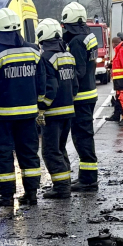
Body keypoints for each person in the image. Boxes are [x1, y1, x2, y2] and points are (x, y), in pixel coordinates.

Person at [0, 8, 47, 207]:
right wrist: (38, 103)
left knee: (3, 154)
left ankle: (6, 195)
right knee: (29, 153)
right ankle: (31, 193)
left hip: (1, 116)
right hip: (28, 114)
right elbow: (41, 81)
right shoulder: (34, 51)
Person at [36, 18, 78, 199]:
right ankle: (65, 183)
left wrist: (41, 107)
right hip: (68, 110)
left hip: (53, 113)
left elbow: (50, 88)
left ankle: (61, 188)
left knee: (50, 151)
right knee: (61, 149)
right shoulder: (68, 56)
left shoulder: (46, 58)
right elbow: (75, 85)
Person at [61, 2, 100, 192]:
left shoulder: (76, 41)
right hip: (90, 93)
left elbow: (78, 71)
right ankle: (86, 177)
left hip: (81, 97)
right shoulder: (89, 36)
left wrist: (65, 90)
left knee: (82, 137)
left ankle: (88, 180)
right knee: (84, 136)